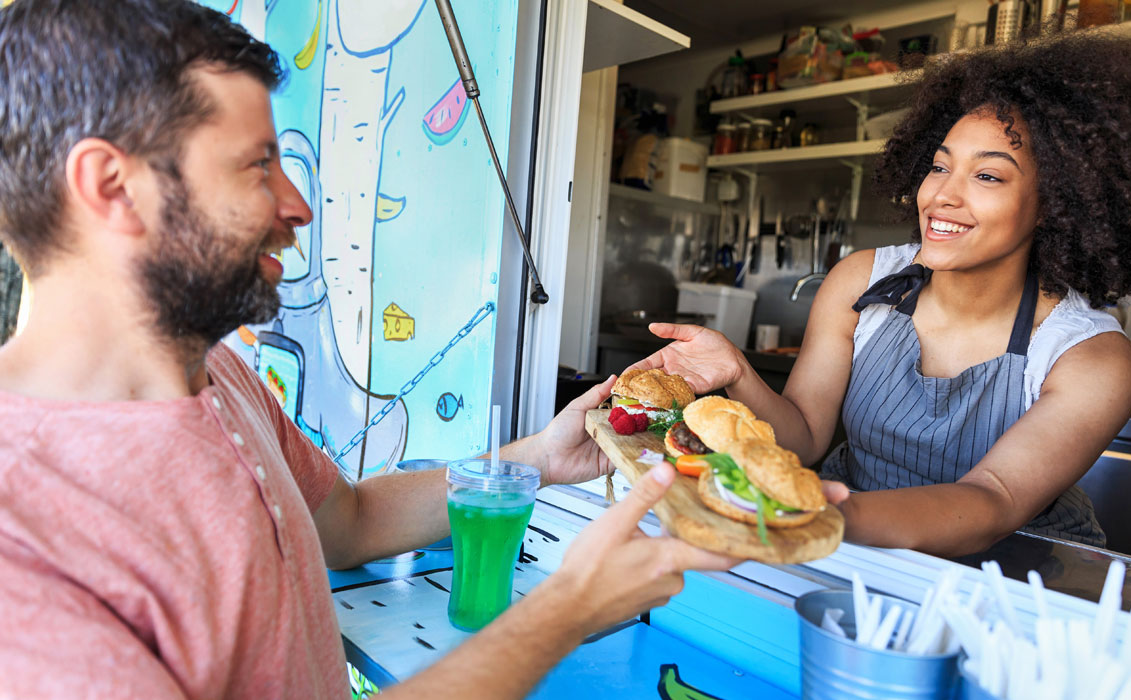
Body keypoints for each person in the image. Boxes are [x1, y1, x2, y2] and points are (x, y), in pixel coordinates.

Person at [0, 1, 740, 698]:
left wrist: (540, 458)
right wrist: (566, 610)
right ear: (111, 187)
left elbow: (352, 522)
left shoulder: (214, 372)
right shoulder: (22, 538)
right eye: (259, 165)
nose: (298, 205)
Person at [633, 33, 1131, 557]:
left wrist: (810, 517)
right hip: (838, 541)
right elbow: (803, 437)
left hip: (1010, 572)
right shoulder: (861, 283)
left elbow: (993, 500)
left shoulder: (1088, 356)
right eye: (938, 166)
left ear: (1058, 203)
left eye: (988, 177)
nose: (942, 196)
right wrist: (739, 373)